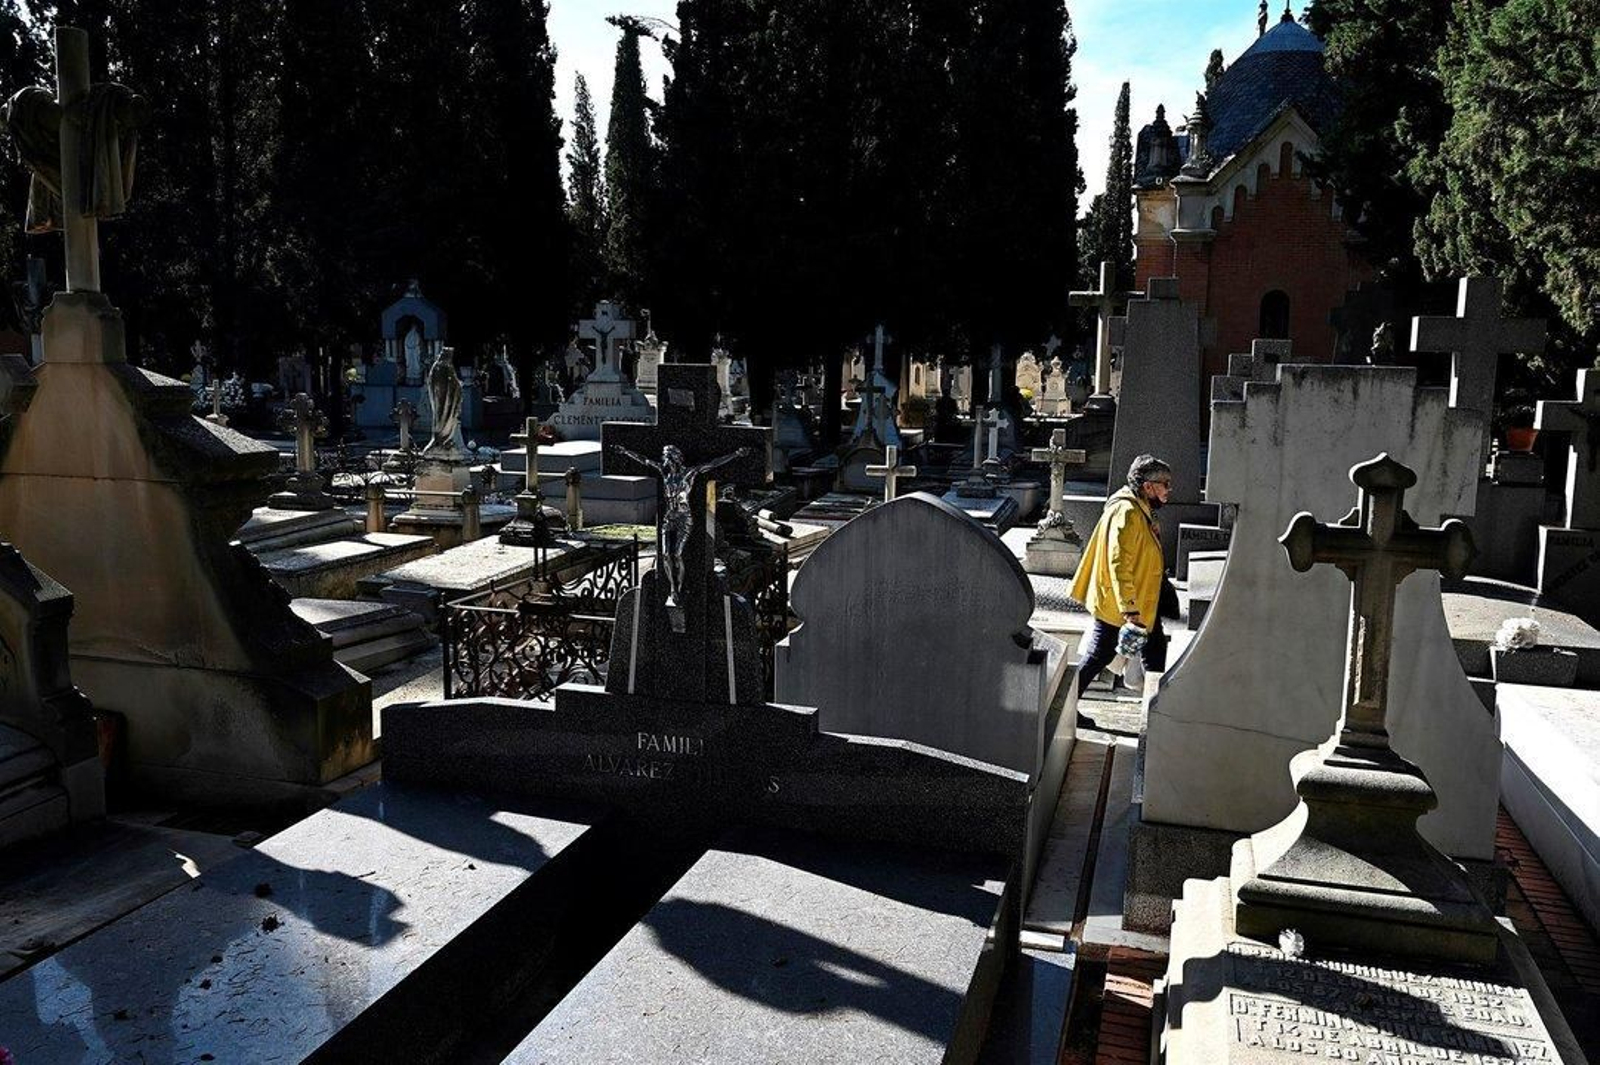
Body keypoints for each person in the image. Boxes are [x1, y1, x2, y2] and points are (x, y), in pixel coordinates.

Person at [1070, 454, 1173, 720]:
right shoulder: (1127, 511)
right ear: (1148, 486)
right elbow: (1118, 562)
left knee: (1155, 649)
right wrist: (1130, 609)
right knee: (1098, 655)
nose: (1169, 490)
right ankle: (1063, 708)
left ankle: (1156, 713)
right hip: (1123, 604)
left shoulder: (1138, 508)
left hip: (1139, 602)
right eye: (1165, 484)